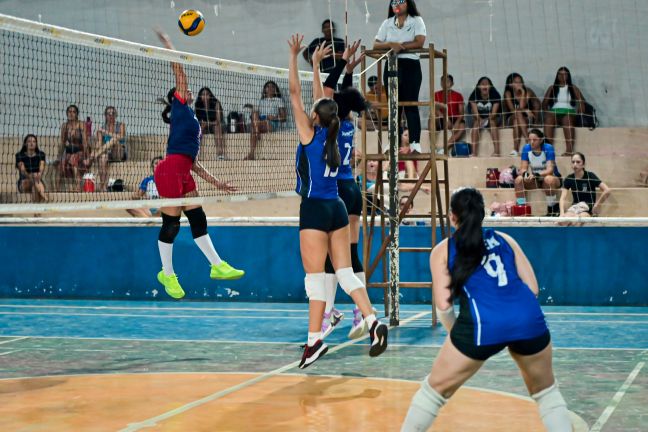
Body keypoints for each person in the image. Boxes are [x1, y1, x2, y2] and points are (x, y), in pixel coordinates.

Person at [401, 188, 572, 432]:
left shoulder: (443, 249)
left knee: (432, 393)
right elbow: (532, 289)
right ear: (483, 214)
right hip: (528, 320)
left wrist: (456, 336)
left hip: (482, 326)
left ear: (452, 216)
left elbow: (444, 305)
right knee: (547, 393)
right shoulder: (504, 239)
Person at [288, 34, 388, 368]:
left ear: (316, 116)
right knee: (345, 272)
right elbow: (324, 100)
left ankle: (314, 341)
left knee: (316, 280)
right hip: (340, 208)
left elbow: (296, 95)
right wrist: (331, 67)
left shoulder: (311, 135)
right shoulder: (339, 129)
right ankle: (372, 320)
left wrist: (295, 59)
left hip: (316, 208)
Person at [153, 30, 244, 300]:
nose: (189, 89)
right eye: (184, 89)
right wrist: (170, 47)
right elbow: (180, 74)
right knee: (171, 224)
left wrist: (216, 182)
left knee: (197, 217)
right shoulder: (180, 106)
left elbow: (192, 163)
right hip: (169, 169)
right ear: (177, 96)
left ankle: (217, 266)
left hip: (183, 169)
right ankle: (166, 273)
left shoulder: (190, 118)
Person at [311, 40, 378, 341]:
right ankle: (355, 314)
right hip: (353, 189)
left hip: (334, 191)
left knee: (329, 259)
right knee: (350, 254)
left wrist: (331, 64)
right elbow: (342, 95)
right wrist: (349, 69)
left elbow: (325, 90)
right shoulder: (348, 123)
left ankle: (328, 314)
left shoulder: (329, 125)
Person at [374, 0, 427, 153]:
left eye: (400, 1)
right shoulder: (387, 23)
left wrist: (400, 47)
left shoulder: (416, 20)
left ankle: (415, 143)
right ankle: (393, 143)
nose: (397, 5)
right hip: (391, 65)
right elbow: (376, 44)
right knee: (393, 105)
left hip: (411, 65)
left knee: (411, 104)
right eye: (394, 2)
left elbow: (420, 42)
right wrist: (391, 44)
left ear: (408, 3)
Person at [514, 129, 562, 216]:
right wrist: (526, 175)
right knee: (518, 180)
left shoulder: (548, 148)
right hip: (536, 180)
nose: (532, 142)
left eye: (535, 140)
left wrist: (536, 174)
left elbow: (550, 170)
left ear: (541, 140)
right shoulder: (526, 148)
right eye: (530, 140)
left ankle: (552, 209)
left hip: (552, 178)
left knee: (548, 179)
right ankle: (522, 209)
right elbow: (523, 168)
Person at [542, 67, 586, 156]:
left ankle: (569, 150)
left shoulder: (573, 87)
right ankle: (548, 150)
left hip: (569, 112)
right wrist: (547, 113)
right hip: (554, 112)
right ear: (557, 76)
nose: (562, 76)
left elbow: (582, 102)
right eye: (560, 74)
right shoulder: (552, 88)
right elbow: (544, 104)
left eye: (565, 74)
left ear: (568, 76)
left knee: (567, 119)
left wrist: (579, 114)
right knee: (549, 119)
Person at [560, 152, 611, 221]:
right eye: (573, 162)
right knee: (563, 221)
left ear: (583, 164)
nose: (575, 164)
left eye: (578, 162)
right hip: (575, 208)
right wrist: (562, 213)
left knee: (577, 221)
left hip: (587, 210)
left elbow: (607, 190)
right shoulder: (569, 178)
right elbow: (562, 198)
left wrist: (597, 205)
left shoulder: (590, 176)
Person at [245, 80, 287, 160]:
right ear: (265, 89)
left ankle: (252, 150)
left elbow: (284, 118)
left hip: (271, 123)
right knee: (254, 112)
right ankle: (252, 152)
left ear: (275, 89)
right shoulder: (261, 101)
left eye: (272, 86)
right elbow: (255, 116)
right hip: (260, 121)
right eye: (268, 86)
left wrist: (274, 117)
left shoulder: (278, 100)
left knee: (254, 127)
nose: (270, 88)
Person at [503, 73, 541, 156]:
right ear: (510, 84)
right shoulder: (508, 93)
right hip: (512, 117)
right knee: (517, 114)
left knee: (517, 121)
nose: (519, 84)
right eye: (516, 82)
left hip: (527, 118)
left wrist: (523, 92)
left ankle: (516, 149)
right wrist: (525, 110)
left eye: (520, 82)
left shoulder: (528, 91)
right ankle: (528, 141)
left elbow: (521, 106)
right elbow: (513, 111)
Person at [56, 104, 90, 191]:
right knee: (60, 164)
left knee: (73, 159)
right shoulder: (65, 126)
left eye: (73, 112)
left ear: (77, 114)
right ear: (67, 113)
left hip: (80, 151)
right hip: (69, 151)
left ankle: (78, 186)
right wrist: (59, 157)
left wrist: (87, 157)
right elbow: (63, 143)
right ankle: (57, 189)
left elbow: (85, 142)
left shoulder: (81, 124)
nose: (71, 114)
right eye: (69, 112)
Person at [94, 106, 127, 191]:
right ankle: (103, 187)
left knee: (114, 140)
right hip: (108, 153)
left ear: (116, 115)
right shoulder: (102, 128)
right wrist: (98, 135)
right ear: (105, 115)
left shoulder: (121, 125)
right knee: (103, 158)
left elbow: (121, 136)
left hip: (119, 152)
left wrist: (105, 132)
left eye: (113, 113)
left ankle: (92, 157)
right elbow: (99, 145)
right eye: (108, 113)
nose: (111, 115)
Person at [468, 76, 502, 156]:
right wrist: (480, 119)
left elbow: (494, 114)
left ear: (490, 86)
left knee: (492, 122)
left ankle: (497, 151)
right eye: (482, 84)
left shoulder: (495, 95)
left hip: (493, 118)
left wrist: (486, 119)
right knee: (476, 123)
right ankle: (474, 153)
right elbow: (475, 114)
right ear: (478, 87)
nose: (485, 86)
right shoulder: (474, 95)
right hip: (479, 119)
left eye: (487, 84)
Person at [433, 74, 466, 149]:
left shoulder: (458, 95)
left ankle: (445, 147)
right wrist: (445, 118)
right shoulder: (436, 94)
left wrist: (457, 123)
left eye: (447, 81)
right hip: (442, 118)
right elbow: (435, 109)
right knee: (431, 120)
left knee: (462, 126)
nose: (445, 83)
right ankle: (433, 147)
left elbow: (461, 113)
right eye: (443, 81)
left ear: (452, 84)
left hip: (454, 119)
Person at [194, 87, 225, 160]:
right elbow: (196, 120)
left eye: (207, 94)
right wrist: (202, 124)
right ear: (200, 96)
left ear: (210, 95)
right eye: (203, 95)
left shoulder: (216, 103)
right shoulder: (198, 105)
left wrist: (207, 123)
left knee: (217, 127)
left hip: (215, 125)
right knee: (198, 129)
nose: (205, 96)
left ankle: (220, 154)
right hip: (204, 126)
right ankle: (195, 154)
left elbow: (218, 120)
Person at [15, 134, 48, 202]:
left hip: (37, 181)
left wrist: (39, 174)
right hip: (24, 182)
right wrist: (31, 175)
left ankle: (36, 209)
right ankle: (43, 194)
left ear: (36, 144)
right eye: (29, 141)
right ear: (25, 143)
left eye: (34, 141)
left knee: (34, 187)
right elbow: (22, 170)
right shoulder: (19, 155)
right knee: (34, 180)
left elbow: (42, 166)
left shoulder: (41, 154)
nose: (31, 143)